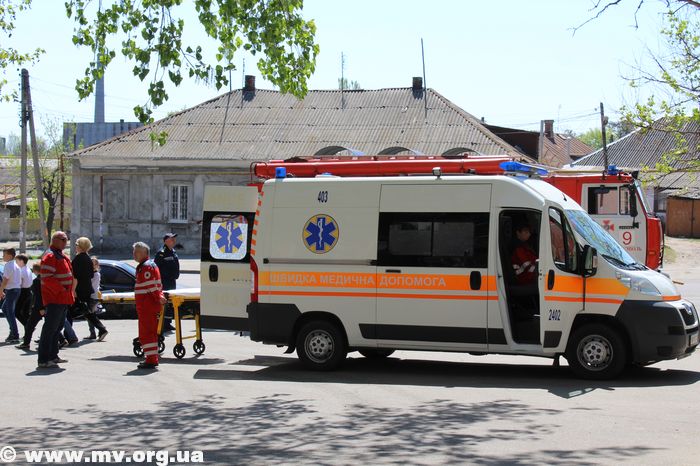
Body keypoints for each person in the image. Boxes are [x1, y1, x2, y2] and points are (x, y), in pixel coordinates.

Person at [37, 231, 75, 369]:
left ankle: (53, 356)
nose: (66, 242)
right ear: (55, 240)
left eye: (66, 239)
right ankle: (43, 359)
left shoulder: (61, 255)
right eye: (63, 239)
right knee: (50, 329)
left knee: (57, 328)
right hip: (55, 299)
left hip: (63, 299)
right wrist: (62, 289)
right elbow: (47, 278)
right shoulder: (50, 256)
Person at [133, 241, 167, 370]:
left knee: (146, 333)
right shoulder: (149, 265)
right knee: (150, 332)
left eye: (136, 252)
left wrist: (158, 298)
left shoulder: (146, 267)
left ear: (144, 253)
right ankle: (151, 358)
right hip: (148, 305)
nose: (134, 254)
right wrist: (159, 297)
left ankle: (151, 359)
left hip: (147, 305)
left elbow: (151, 286)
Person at [72, 237, 108, 342]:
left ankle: (67, 336)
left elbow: (75, 277)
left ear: (81, 246)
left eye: (77, 244)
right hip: (87, 289)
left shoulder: (78, 259)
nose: (75, 246)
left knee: (74, 312)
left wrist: (73, 290)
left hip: (79, 289)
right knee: (86, 311)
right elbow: (90, 275)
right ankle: (101, 329)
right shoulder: (88, 259)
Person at [154, 233, 180, 331]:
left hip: (172, 282)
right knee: (164, 303)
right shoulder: (161, 253)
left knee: (170, 303)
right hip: (164, 282)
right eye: (171, 239)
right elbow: (156, 268)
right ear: (166, 241)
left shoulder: (173, 251)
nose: (174, 240)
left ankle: (168, 323)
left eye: (174, 239)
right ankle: (162, 324)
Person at [16, 263, 44, 350]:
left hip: (39, 307)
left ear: (35, 271)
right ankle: (62, 339)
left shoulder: (37, 281)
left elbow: (38, 296)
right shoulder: (46, 279)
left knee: (30, 325)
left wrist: (41, 308)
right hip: (47, 306)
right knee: (50, 325)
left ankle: (26, 343)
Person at [1, 248, 21, 343]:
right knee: (5, 309)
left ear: (9, 256)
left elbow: (5, 280)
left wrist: (1, 291)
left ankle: (15, 334)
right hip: (14, 290)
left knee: (10, 312)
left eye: (4, 255)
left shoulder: (8, 265)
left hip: (12, 291)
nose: (2, 256)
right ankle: (13, 332)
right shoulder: (14, 264)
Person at [85, 255, 106, 340]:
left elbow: (92, 286)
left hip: (93, 297)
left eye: (94, 264)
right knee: (90, 315)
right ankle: (93, 333)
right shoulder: (90, 274)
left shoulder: (96, 274)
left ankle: (101, 330)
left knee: (90, 315)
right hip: (92, 296)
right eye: (91, 264)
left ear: (97, 265)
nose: (92, 266)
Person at [14, 254, 34, 329]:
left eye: (17, 261)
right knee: (25, 313)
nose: (16, 263)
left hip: (23, 292)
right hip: (29, 291)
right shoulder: (27, 269)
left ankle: (28, 326)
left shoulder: (21, 271)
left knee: (17, 312)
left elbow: (19, 283)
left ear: (21, 261)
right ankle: (28, 328)